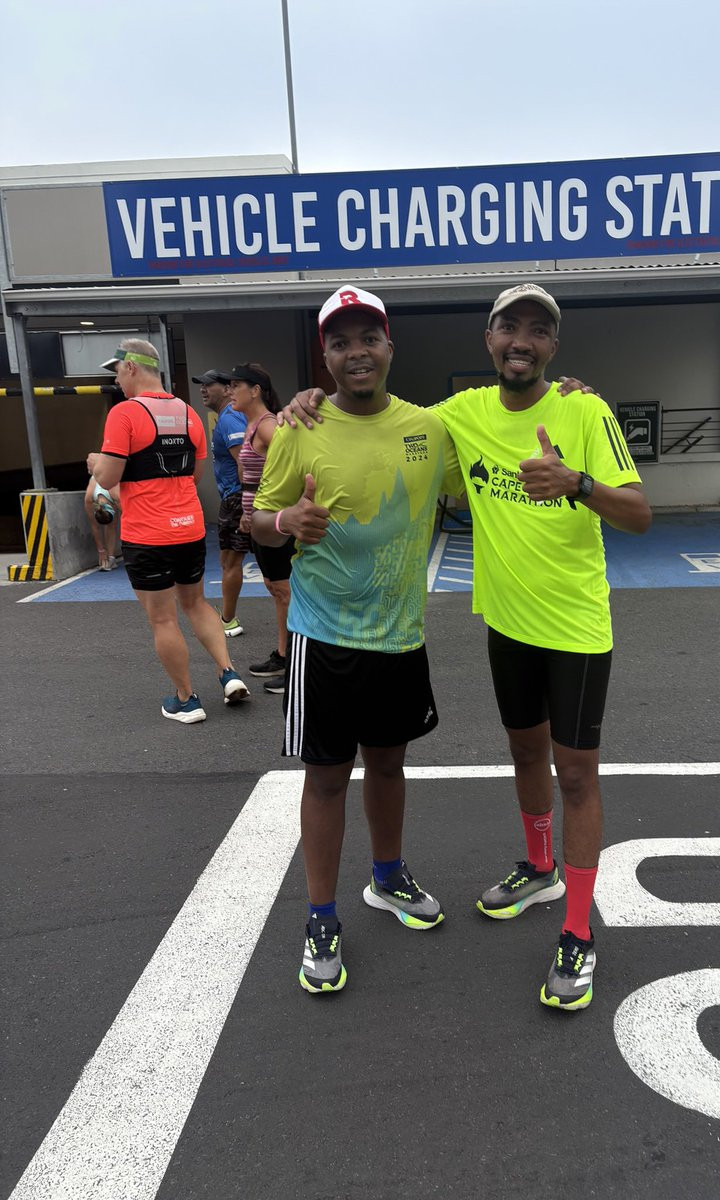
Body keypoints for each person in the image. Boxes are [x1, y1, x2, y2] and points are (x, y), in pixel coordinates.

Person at [285, 282, 652, 1011]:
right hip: (506, 623)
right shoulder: (460, 415)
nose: (522, 341)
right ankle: (539, 868)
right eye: (509, 327)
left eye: (538, 330)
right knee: (525, 753)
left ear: (553, 346)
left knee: (577, 777)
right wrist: (305, 399)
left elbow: (639, 514)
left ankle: (578, 934)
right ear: (488, 339)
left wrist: (576, 482)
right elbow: (379, 420)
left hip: (576, 627)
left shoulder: (585, 410)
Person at [251, 286, 463, 996]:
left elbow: (489, 459)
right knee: (326, 776)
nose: (356, 353)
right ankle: (320, 916)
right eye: (340, 342)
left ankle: (388, 876)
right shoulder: (299, 427)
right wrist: (287, 523)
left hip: (400, 637)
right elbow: (258, 521)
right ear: (327, 356)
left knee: (390, 765)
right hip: (324, 637)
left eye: (368, 338)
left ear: (389, 347)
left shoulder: (430, 428)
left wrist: (568, 393)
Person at [88, 338, 250, 724]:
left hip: (148, 533)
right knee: (196, 603)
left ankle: (187, 699)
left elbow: (107, 478)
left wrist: (96, 464)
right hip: (189, 527)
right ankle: (228, 673)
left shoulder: (125, 413)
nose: (117, 381)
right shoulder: (189, 413)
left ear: (131, 366)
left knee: (163, 619)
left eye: (117, 372)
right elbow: (194, 475)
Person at [227, 363, 294, 694]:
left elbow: (289, 471)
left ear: (255, 391)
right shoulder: (252, 426)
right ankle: (283, 655)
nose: (230, 391)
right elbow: (253, 481)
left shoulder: (268, 426)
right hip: (257, 520)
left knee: (285, 592)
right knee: (275, 589)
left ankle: (295, 664)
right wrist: (247, 511)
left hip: (275, 523)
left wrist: (271, 513)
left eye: (236, 385)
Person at [194, 368, 248, 637]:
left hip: (239, 499)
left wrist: (247, 502)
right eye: (201, 385)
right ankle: (228, 617)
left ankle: (228, 620)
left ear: (227, 389)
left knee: (231, 562)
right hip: (238, 499)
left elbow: (244, 461)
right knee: (231, 561)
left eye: (209, 384)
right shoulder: (229, 417)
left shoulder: (229, 418)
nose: (203, 389)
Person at [84, 470, 120, 570]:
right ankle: (110, 557)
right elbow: (95, 527)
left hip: (112, 474)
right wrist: (101, 550)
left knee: (112, 525)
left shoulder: (116, 495)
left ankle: (111, 558)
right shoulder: (89, 499)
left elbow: (130, 518)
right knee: (110, 525)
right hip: (100, 475)